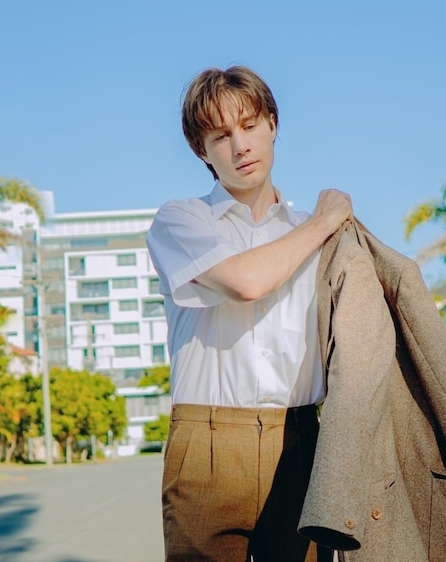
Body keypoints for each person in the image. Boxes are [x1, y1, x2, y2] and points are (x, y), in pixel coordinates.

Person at [146, 65, 352, 562]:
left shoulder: (315, 230)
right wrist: (326, 220)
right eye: (221, 135)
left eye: (251, 125)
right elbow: (246, 282)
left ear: (273, 125)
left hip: (300, 439)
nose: (241, 146)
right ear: (202, 151)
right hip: (205, 445)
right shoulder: (180, 219)